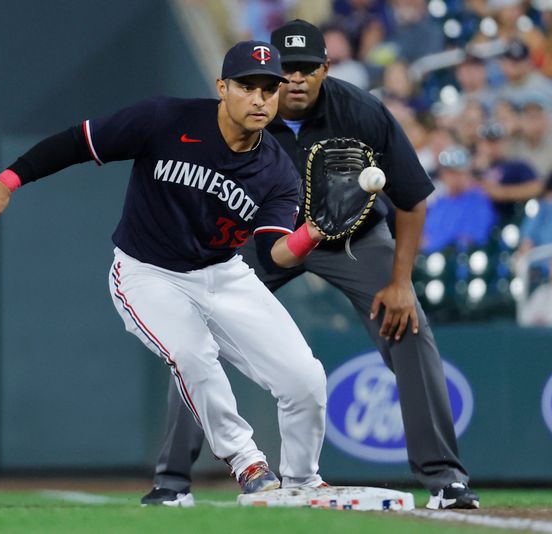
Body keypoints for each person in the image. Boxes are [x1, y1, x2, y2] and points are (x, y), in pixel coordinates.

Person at [0, 40, 331, 497]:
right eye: (247, 86)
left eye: (269, 89)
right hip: (148, 272)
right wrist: (7, 181)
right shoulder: (165, 119)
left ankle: (301, 483)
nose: (259, 99)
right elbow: (79, 142)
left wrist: (311, 233)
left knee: (305, 378)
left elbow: (274, 250)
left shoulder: (277, 170)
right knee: (193, 355)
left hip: (223, 273)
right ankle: (248, 462)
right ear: (222, 87)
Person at [141, 19, 480, 510]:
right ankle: (172, 482)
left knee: (408, 329)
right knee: (199, 338)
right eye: (287, 70)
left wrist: (402, 281)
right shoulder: (242, 113)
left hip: (352, 238)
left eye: (306, 68)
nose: (296, 79)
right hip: (264, 239)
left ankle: (446, 480)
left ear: (326, 68)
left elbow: (412, 199)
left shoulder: (361, 111)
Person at [422, 145, 496, 253]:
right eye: (449, 172)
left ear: (468, 173)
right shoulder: (439, 202)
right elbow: (425, 237)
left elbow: (470, 240)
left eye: (459, 172)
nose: (454, 177)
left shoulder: (478, 201)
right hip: (430, 260)